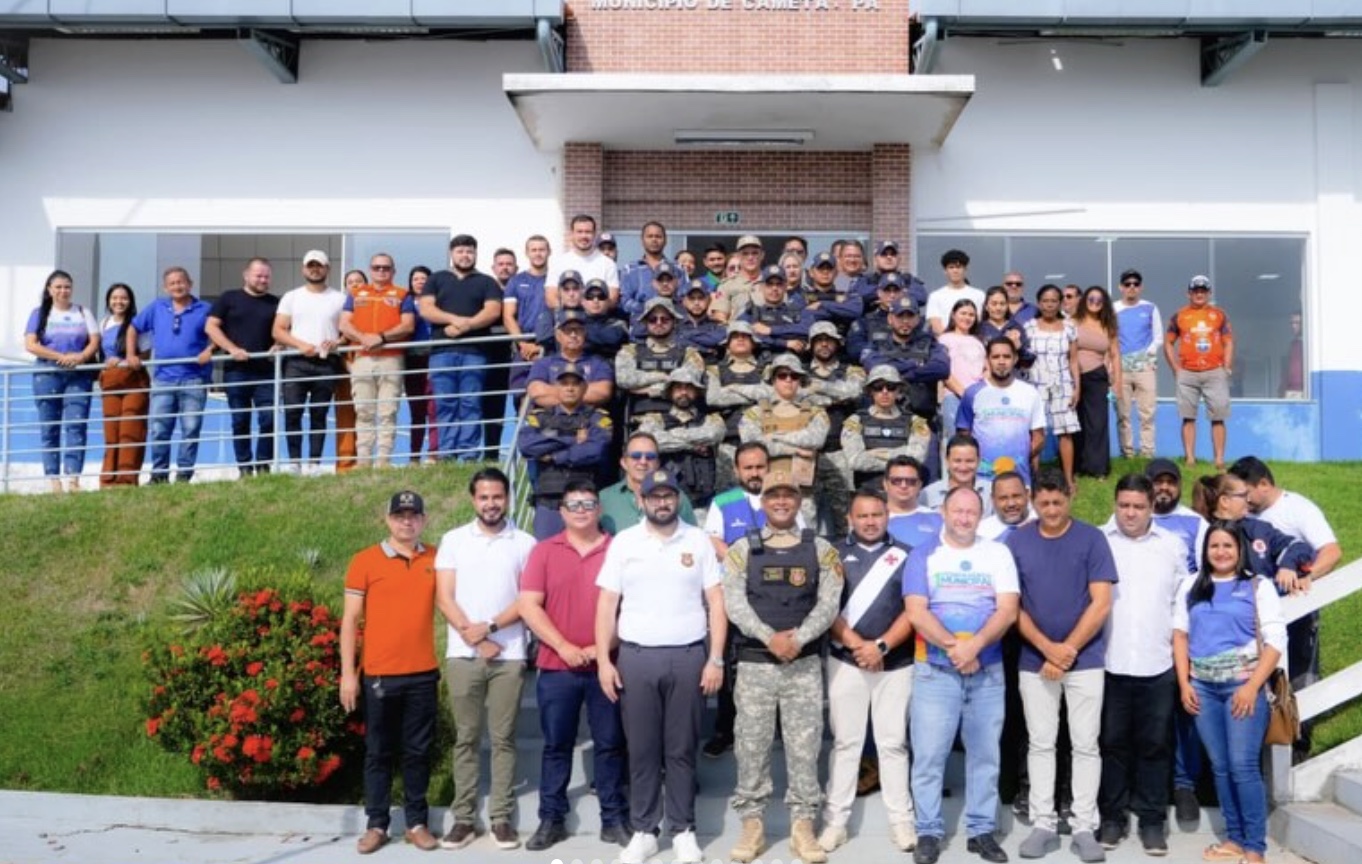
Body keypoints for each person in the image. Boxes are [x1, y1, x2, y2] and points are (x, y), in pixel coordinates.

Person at [595, 469, 727, 864]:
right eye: (655, 496)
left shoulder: (697, 540)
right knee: (642, 749)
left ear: (677, 499)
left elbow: (716, 602)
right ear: (643, 500)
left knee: (681, 749)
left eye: (669, 496)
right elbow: (607, 604)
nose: (663, 502)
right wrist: (603, 660)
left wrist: (715, 658)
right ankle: (644, 830)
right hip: (636, 657)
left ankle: (683, 829)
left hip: (688, 656)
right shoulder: (624, 542)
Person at [722, 467, 844, 864]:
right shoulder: (743, 549)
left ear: (799, 500)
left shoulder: (821, 549)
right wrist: (768, 636)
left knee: (804, 748)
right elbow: (734, 602)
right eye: (773, 495)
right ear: (763, 501)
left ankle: (803, 826)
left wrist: (799, 638)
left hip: (802, 666)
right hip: (755, 665)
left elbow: (829, 602)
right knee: (751, 746)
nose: (781, 501)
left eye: (788, 495)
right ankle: (752, 825)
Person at [905, 486, 1019, 864]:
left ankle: (981, 830)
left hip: (987, 671)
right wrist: (957, 648)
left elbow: (1007, 610)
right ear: (943, 511)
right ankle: (928, 832)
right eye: (958, 511)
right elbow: (917, 612)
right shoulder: (923, 555)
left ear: (980, 515)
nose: (964, 518)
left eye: (972, 512)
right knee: (929, 756)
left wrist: (976, 646)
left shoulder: (997, 553)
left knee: (985, 755)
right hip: (935, 672)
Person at [1009, 468, 1117, 863]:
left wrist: (1067, 649)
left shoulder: (1092, 539)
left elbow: (1101, 602)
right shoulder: (1017, 542)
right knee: (1040, 742)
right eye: (1044, 502)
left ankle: (1084, 826)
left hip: (1085, 660)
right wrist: (1046, 649)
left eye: (1058, 502)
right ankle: (1043, 824)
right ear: (1033, 501)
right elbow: (1011, 606)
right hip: (1034, 660)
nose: (1052, 510)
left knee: (1086, 744)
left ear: (1070, 498)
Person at [518, 480, 631, 851]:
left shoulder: (619, 550)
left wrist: (601, 648)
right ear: (562, 512)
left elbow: (631, 609)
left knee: (610, 744)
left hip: (607, 666)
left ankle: (613, 818)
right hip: (557, 665)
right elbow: (529, 605)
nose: (582, 510)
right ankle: (551, 818)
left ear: (599, 509)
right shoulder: (544, 551)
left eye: (588, 503)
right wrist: (564, 646)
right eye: (574, 504)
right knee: (556, 745)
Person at [432, 468, 536, 851]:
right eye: (484, 497)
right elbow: (444, 597)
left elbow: (527, 600)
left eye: (497, 497)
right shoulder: (454, 540)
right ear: (473, 500)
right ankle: (463, 818)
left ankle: (501, 818)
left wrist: (490, 628)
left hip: (509, 655)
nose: (491, 504)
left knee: (504, 739)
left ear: (508, 498)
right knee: (466, 738)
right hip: (463, 656)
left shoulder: (525, 543)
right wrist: (473, 637)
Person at [1173, 521, 1286, 864]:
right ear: (1205, 551)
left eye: (1227, 546)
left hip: (1243, 687)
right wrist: (1184, 684)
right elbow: (1180, 635)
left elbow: (1275, 642)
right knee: (1220, 767)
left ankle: (1255, 847)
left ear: (1240, 549)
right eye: (1214, 546)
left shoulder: (1258, 586)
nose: (1220, 552)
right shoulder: (1192, 585)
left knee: (1243, 766)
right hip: (1202, 689)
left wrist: (1251, 687)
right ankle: (1235, 839)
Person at [340, 490, 441, 855]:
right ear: (387, 520)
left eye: (413, 515)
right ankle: (377, 825)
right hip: (379, 675)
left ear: (424, 520)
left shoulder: (436, 558)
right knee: (378, 753)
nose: (406, 522)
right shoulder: (365, 560)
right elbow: (350, 620)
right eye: (400, 516)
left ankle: (416, 823)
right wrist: (348, 674)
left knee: (418, 752)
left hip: (423, 674)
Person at [821, 488, 918, 855]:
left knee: (893, 743)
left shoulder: (907, 555)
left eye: (877, 514)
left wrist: (881, 646)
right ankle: (835, 822)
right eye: (862, 516)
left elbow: (913, 609)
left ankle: (901, 821)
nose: (870, 521)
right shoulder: (832, 554)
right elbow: (825, 608)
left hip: (895, 663)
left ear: (887, 516)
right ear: (850, 518)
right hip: (846, 661)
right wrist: (858, 645)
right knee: (846, 743)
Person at [1097, 474, 1189, 855]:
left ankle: (1152, 822)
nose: (1130, 513)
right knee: (1112, 744)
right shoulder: (1099, 541)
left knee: (1155, 745)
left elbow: (1181, 600)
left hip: (1157, 662)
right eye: (1124, 506)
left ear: (1152, 507)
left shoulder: (1171, 546)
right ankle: (1112, 818)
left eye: (1138, 506)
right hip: (1110, 661)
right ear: (1115, 504)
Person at [1231, 455, 1342, 738]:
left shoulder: (1297, 508)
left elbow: (1331, 551)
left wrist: (1307, 576)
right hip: (1254, 615)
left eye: (1247, 492)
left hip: (1296, 609)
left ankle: (1300, 739)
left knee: (1299, 671)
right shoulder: (1246, 516)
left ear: (1264, 484)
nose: (1244, 500)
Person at [1144, 457, 1211, 820]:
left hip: (1186, 629)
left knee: (1187, 707)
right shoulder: (1129, 517)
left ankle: (1185, 784)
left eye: (1171, 482)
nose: (1164, 488)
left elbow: (1207, 573)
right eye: (1158, 481)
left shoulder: (1195, 523)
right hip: (1142, 630)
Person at [420, 234, 504, 462]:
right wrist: (455, 320)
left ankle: (468, 454)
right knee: (445, 402)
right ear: (451, 253)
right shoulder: (436, 279)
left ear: (475, 254)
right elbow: (426, 309)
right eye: (460, 251)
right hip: (441, 352)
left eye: (469, 251)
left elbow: (493, 311)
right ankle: (447, 453)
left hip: (475, 353)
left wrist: (468, 325)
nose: (465, 256)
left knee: (470, 402)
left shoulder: (487, 282)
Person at [128, 266, 214, 485]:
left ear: (190, 284)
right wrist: (130, 354)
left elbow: (220, 332)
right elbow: (133, 328)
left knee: (191, 429)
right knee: (159, 430)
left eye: (181, 282)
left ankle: (184, 475)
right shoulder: (157, 307)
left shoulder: (205, 309)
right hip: (163, 379)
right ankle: (159, 475)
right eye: (172, 283)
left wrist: (210, 350)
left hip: (194, 378)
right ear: (166, 287)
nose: (177, 286)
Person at [518, 362, 613, 539]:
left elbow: (595, 450)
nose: (570, 388)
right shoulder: (539, 418)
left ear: (585, 388)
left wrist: (555, 456)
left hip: (584, 501)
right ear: (555, 387)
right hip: (549, 502)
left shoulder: (597, 418)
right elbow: (527, 446)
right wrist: (572, 439)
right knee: (546, 551)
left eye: (575, 384)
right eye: (564, 383)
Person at [272, 251, 347, 475]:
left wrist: (337, 342)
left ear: (327, 269)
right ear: (303, 269)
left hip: (326, 362)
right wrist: (300, 345)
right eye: (310, 265)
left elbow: (347, 332)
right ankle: (294, 462)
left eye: (319, 265)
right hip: (296, 362)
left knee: (319, 414)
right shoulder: (292, 297)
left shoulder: (339, 298)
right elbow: (278, 330)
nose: (315, 269)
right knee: (293, 413)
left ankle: (314, 463)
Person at [24, 269, 99, 493]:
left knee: (76, 425)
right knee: (49, 428)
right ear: (49, 289)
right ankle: (54, 481)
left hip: (78, 375)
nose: (63, 291)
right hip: (47, 374)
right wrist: (60, 357)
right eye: (58, 287)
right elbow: (31, 344)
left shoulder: (83, 312)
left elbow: (94, 341)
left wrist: (81, 357)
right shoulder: (39, 314)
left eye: (67, 287)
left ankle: (74, 479)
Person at [340, 253, 416, 469]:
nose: (381, 271)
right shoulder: (356, 294)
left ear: (393, 271)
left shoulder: (402, 294)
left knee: (387, 410)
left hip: (391, 358)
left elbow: (408, 325)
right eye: (376, 267)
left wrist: (381, 337)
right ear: (370, 270)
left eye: (386, 267)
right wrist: (363, 338)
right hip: (362, 358)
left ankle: (383, 460)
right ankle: (363, 460)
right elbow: (344, 324)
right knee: (363, 410)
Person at [205, 257, 280, 477]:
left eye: (267, 276)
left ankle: (263, 467)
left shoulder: (275, 302)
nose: (263, 280)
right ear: (246, 275)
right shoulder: (229, 298)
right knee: (240, 421)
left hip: (266, 371)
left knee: (269, 419)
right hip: (236, 371)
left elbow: (284, 330)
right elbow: (211, 327)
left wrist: (279, 345)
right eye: (259, 275)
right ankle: (245, 468)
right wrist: (231, 349)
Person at [862, 296, 951, 478]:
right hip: (884, 423)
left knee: (928, 479)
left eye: (910, 316)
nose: (905, 321)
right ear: (890, 318)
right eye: (900, 316)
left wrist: (902, 374)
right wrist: (915, 365)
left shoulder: (930, 344)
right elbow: (874, 366)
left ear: (918, 319)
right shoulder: (877, 345)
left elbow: (942, 368)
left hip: (923, 423)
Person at [738, 353, 829, 527]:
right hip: (764, 494)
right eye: (782, 375)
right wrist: (793, 449)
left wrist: (774, 437)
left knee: (805, 540)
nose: (788, 380)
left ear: (800, 380)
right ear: (773, 380)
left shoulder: (816, 412)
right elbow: (754, 449)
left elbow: (815, 439)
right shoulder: (754, 414)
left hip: (802, 495)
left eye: (794, 376)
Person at [804, 320, 866, 538]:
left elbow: (854, 391)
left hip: (840, 452)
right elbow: (796, 397)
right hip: (806, 454)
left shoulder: (852, 370)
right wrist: (836, 397)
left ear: (837, 343)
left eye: (828, 340)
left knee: (845, 517)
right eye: (819, 340)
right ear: (811, 344)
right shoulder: (798, 372)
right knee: (805, 518)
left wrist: (819, 388)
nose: (824, 344)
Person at [957, 337, 1047, 486]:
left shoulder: (1030, 393)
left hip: (1019, 479)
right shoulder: (972, 393)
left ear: (1015, 359)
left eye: (1006, 356)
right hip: (982, 479)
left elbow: (1038, 437)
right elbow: (964, 435)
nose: (1001, 361)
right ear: (987, 360)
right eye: (996, 357)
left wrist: (1020, 458)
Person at [1165, 275, 1233, 470]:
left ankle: (1219, 459)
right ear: (1189, 293)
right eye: (1196, 290)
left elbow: (1228, 341)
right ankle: (1190, 459)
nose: (1199, 294)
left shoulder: (1219, 315)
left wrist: (1226, 366)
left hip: (1214, 371)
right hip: (1187, 372)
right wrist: (1175, 368)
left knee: (1218, 416)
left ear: (1209, 293)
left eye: (1203, 290)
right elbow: (1168, 342)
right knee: (1188, 416)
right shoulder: (1179, 316)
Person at [638, 367, 725, 510]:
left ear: (697, 391)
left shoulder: (712, 420)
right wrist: (692, 445)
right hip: (666, 501)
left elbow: (712, 435)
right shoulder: (654, 420)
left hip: (706, 501)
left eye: (689, 388)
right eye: (678, 388)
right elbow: (650, 443)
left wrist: (670, 437)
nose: (683, 392)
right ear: (670, 392)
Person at [1023, 285, 1081, 492]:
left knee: (1065, 432)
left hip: (1062, 384)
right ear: (1039, 303)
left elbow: (1073, 360)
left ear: (1060, 303)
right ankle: (1033, 478)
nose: (1049, 305)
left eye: (1054, 301)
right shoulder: (1029, 327)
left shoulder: (1069, 327)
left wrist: (1077, 387)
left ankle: (1068, 480)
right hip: (1035, 384)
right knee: (1036, 432)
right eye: (1045, 301)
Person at [615, 296, 706, 427]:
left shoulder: (689, 354)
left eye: (665, 319)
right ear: (645, 322)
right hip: (640, 419)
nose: (659, 323)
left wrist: (644, 389)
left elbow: (689, 386)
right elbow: (624, 380)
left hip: (681, 419)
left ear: (674, 322)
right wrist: (662, 377)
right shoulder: (629, 352)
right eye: (653, 319)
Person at [97, 283, 150, 487]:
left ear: (130, 301)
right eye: (114, 298)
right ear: (108, 301)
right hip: (110, 381)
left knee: (131, 428)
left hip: (134, 380)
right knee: (111, 430)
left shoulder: (138, 324)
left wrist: (130, 360)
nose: (119, 302)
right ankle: (108, 479)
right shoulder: (103, 324)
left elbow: (146, 354)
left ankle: (127, 479)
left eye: (124, 298)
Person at [705, 321, 768, 492]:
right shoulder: (714, 370)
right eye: (735, 336)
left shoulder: (766, 369)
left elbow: (768, 395)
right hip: (728, 442)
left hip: (761, 440)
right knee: (729, 495)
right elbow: (714, 398)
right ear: (727, 343)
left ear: (753, 342)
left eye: (745, 336)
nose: (740, 339)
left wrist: (732, 388)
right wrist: (752, 395)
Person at [599, 431, 699, 534]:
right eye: (636, 456)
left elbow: (691, 536)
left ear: (657, 464)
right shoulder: (604, 498)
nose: (643, 462)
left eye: (650, 456)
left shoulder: (676, 497)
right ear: (624, 462)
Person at [842, 365, 923, 489]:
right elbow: (855, 460)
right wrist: (901, 457)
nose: (885, 392)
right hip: (867, 492)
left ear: (898, 390)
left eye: (890, 387)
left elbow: (917, 458)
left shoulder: (915, 422)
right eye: (878, 387)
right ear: (871, 391)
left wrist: (879, 454)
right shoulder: (855, 421)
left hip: (902, 491)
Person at [1072, 287, 1122, 479]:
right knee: (1075, 422)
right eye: (1091, 298)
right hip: (1072, 377)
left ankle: (1098, 468)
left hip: (1097, 377)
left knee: (1097, 423)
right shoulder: (1073, 322)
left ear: (1104, 303)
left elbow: (1115, 355)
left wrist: (1117, 382)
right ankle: (1077, 466)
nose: (1094, 302)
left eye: (1099, 300)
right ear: (1084, 300)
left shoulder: (1108, 325)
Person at [1112, 269, 1161, 459]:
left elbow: (1158, 337)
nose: (1131, 287)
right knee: (1122, 413)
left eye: (1135, 284)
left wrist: (1148, 355)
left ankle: (1147, 453)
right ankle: (1127, 454)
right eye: (1127, 284)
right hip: (1120, 368)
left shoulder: (1150, 308)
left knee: (1147, 413)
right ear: (1121, 287)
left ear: (1141, 287)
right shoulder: (1113, 309)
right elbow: (1109, 338)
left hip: (1144, 368)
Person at [525, 308, 614, 410]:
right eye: (568, 330)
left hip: (588, 417)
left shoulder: (599, 363)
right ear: (558, 335)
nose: (573, 335)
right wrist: (578, 394)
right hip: (551, 417)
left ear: (585, 334)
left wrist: (554, 392)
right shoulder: (543, 364)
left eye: (578, 330)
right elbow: (537, 392)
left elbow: (602, 392)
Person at [938, 298, 986, 471]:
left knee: (976, 442)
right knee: (956, 442)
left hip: (978, 398)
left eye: (971, 314)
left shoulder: (978, 341)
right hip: (954, 397)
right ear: (953, 315)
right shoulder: (944, 339)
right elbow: (944, 371)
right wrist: (964, 393)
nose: (967, 318)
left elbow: (985, 369)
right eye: (963, 313)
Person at [739, 264, 815, 360]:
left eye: (779, 284)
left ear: (785, 286)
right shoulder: (752, 313)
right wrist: (785, 343)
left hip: (792, 363)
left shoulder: (797, 310)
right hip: (761, 363)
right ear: (761, 287)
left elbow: (807, 329)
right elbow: (746, 335)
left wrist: (771, 330)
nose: (774, 288)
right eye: (769, 284)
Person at [546, 214, 620, 310]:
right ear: (572, 234)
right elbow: (551, 298)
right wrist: (571, 313)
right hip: (567, 317)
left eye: (588, 232)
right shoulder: (558, 263)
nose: (584, 236)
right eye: (579, 232)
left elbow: (612, 299)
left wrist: (590, 311)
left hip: (598, 318)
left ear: (594, 234)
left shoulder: (608, 264)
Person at [404, 265, 436, 464]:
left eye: (424, 278)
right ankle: (414, 456)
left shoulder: (438, 302)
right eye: (416, 279)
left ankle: (433, 454)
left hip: (433, 358)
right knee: (417, 411)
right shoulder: (405, 302)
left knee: (434, 409)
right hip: (412, 360)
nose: (420, 282)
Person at [619, 221, 682, 315]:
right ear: (642, 240)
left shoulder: (677, 268)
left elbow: (684, 297)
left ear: (665, 240)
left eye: (658, 236)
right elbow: (624, 301)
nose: (654, 240)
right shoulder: (630, 270)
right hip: (638, 320)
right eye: (650, 236)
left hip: (670, 319)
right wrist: (647, 309)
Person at [883, 455, 944, 550]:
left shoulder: (937, 518)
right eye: (897, 481)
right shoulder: (872, 518)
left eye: (911, 481)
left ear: (920, 485)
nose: (903, 486)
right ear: (885, 484)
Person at [853, 240, 928, 309]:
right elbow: (858, 296)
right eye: (884, 254)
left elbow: (921, 297)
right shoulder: (866, 279)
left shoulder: (907, 279)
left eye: (893, 254)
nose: (889, 257)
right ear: (876, 258)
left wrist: (896, 293)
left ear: (899, 258)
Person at [925, 249, 985, 336]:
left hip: (972, 340)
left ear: (965, 270)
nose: (955, 271)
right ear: (945, 271)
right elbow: (936, 325)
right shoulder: (935, 296)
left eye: (958, 267)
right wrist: (951, 340)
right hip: (944, 341)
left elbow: (980, 322)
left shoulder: (979, 295)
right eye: (951, 267)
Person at [803, 250, 865, 332]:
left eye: (829, 268)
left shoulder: (846, 296)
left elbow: (855, 311)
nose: (825, 272)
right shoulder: (803, 296)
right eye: (820, 268)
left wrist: (822, 304)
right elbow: (803, 315)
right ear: (811, 272)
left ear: (836, 272)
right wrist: (839, 311)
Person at [711, 234, 765, 323]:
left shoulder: (772, 283)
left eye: (755, 253)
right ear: (738, 257)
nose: (750, 257)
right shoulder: (726, 286)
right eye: (745, 254)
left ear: (762, 255)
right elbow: (719, 317)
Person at [676, 278, 726, 364]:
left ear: (709, 300)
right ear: (684, 301)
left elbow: (715, 340)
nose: (696, 303)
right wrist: (705, 350)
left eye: (701, 298)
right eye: (692, 298)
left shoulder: (716, 325)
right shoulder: (676, 325)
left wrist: (684, 336)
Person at [980, 286, 1031, 366]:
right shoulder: (979, 329)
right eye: (994, 304)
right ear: (986, 306)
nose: (998, 308)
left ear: (1007, 306)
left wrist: (1019, 348)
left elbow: (1028, 361)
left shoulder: (1016, 327)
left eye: (1002, 304)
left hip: (1012, 373)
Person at [979, 470, 1034, 541]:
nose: (1011, 504)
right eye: (1003, 498)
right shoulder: (981, 533)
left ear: (1027, 494)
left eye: (1016, 496)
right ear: (993, 499)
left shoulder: (1043, 523)